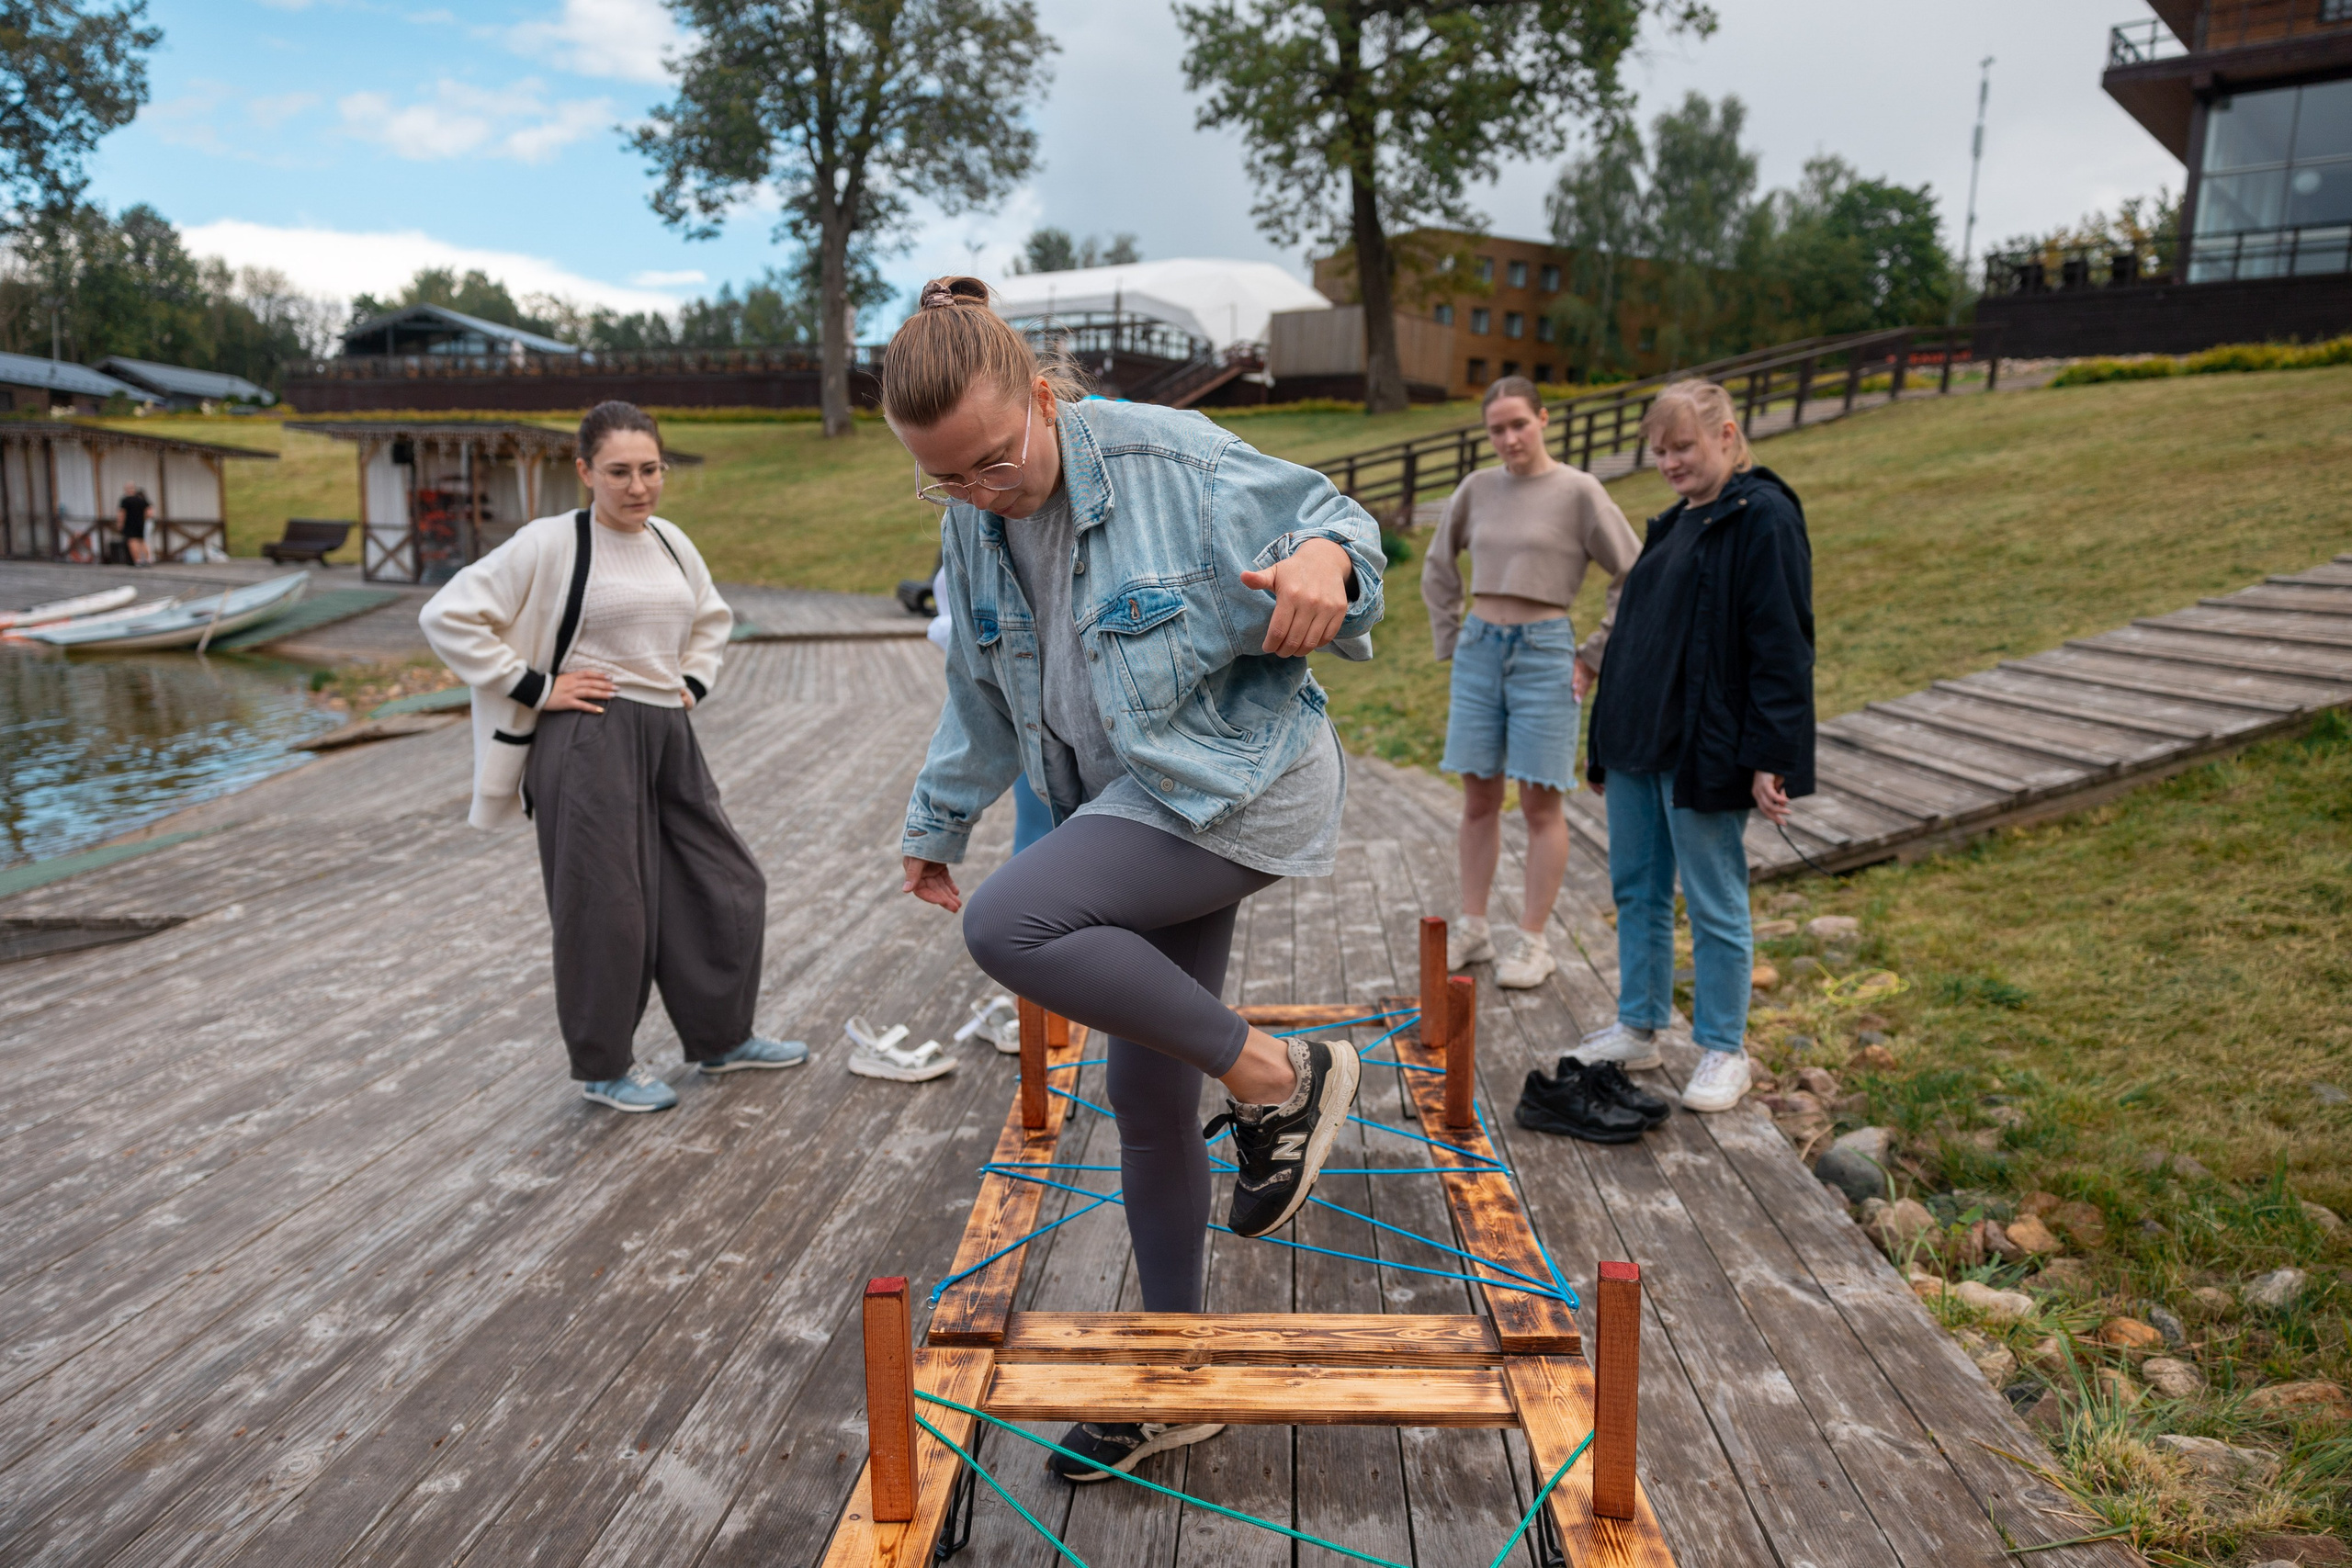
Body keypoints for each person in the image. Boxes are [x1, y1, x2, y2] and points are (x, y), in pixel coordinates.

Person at [890, 276, 1384, 1483]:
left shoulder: (1172, 459)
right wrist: (939, 818)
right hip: (1122, 805)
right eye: (946, 478)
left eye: (995, 460)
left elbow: (1340, 524)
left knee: (1014, 922)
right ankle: (1179, 1376)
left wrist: (1324, 561)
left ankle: (1284, 1077)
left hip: (1239, 780)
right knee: (1147, 1091)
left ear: (1041, 394)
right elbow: (979, 692)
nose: (980, 491)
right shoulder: (972, 522)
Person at [419, 400, 807, 1113]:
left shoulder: (670, 541)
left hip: (669, 732)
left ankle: (722, 1039)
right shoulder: (550, 542)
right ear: (585, 471)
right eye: (619, 472)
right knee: (606, 903)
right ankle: (605, 1067)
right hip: (588, 734)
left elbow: (710, 616)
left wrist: (692, 680)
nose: (639, 487)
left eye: (651, 469)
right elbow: (447, 614)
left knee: (725, 881)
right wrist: (537, 687)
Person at [1577, 380, 1815, 1114]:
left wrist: (1772, 754)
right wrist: (1603, 744)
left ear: (1727, 436)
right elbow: (1634, 638)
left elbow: (1783, 642)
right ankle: (1638, 1025)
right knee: (1637, 891)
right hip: (1636, 741)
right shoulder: (1673, 524)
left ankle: (1723, 1047)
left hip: (1705, 746)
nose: (1671, 462)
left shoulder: (1764, 515)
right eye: (1660, 451)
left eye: (1683, 446)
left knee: (1714, 897)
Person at [1423, 376, 1640, 989]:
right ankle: (1474, 926)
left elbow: (1634, 571)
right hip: (1479, 650)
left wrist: (1593, 653)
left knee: (1541, 803)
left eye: (1519, 423)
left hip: (1547, 654)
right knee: (1478, 799)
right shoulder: (1476, 488)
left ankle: (1533, 939)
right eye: (1497, 429)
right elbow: (1438, 565)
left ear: (1543, 419)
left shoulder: (1580, 492)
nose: (1509, 438)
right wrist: (1451, 638)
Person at [117, 484, 153, 566]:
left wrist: (120, 524)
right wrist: (144, 519)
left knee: (132, 541)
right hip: (140, 523)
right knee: (142, 541)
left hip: (130, 524)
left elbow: (122, 513)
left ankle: (138, 560)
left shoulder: (125, 500)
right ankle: (147, 559)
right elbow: (149, 512)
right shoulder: (141, 500)